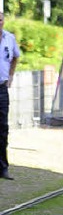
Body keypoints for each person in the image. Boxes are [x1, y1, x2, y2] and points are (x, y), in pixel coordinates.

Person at [0, 12, 20, 179]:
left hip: (1, 88)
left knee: (2, 128)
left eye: (0, 19)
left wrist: (11, 76)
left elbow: (15, 57)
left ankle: (2, 167)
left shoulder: (9, 38)